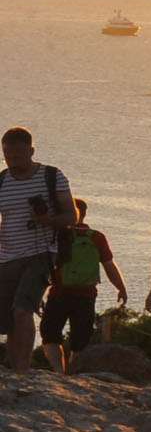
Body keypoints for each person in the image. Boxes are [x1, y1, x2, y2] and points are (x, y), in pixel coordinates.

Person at [2, 128, 79, 371]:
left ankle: (23, 370)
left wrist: (47, 220)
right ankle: (15, 369)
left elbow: (72, 215)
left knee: (23, 310)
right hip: (6, 257)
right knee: (9, 318)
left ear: (31, 151)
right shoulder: (2, 181)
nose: (12, 159)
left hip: (42, 253)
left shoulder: (52, 176)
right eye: (7, 155)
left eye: (18, 154)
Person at [38, 196, 127, 370]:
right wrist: (121, 288)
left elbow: (44, 267)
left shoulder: (56, 236)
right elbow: (109, 266)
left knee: (50, 335)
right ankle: (74, 371)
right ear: (84, 214)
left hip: (59, 293)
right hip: (86, 294)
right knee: (81, 340)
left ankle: (58, 372)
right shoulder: (96, 237)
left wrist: (39, 294)